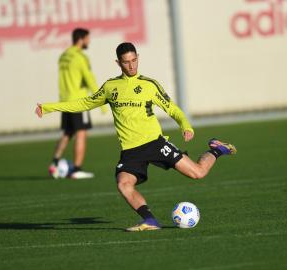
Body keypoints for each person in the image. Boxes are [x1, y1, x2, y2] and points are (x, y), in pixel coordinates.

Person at [36, 42, 236, 231]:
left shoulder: (149, 85)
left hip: (155, 144)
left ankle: (216, 149)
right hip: (130, 151)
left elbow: (172, 108)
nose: (131, 65)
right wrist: (48, 108)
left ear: (138, 58)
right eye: (126, 62)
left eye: (134, 60)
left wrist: (185, 125)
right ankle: (149, 220)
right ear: (118, 63)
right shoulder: (110, 87)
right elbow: (84, 103)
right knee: (123, 184)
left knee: (198, 173)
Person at [48, 28, 108, 180]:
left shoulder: (64, 56)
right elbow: (90, 79)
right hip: (79, 101)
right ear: (81, 39)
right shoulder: (81, 57)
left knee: (68, 132)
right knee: (81, 133)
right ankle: (76, 169)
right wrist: (101, 102)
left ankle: (54, 162)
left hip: (65, 100)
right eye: (87, 39)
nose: (89, 42)